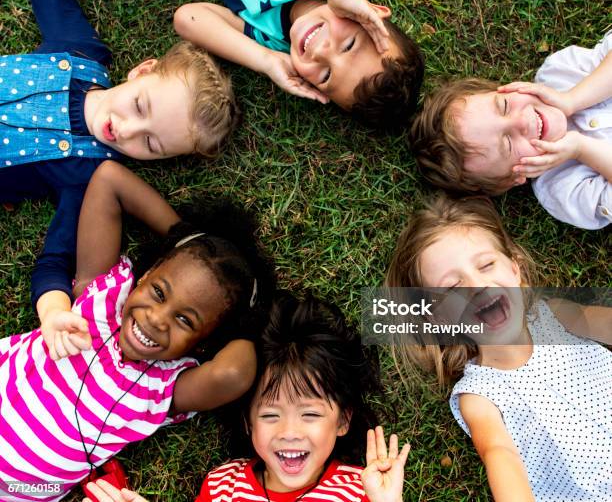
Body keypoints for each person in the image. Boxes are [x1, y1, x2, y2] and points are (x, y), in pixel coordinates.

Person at [0, 161, 275, 501]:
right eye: (159, 292)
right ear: (144, 276)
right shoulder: (101, 298)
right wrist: (185, 239)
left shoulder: (162, 389)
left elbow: (234, 373)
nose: (157, 319)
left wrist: (249, 319)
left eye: (185, 321)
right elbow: (109, 180)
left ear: (203, 345)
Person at [2, 0, 239, 319]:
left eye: (150, 143)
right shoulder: (79, 52)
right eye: (140, 105)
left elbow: (55, 262)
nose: (126, 130)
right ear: (143, 70)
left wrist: (54, 313)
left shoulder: (86, 177)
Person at [386, 194, 612, 501]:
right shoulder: (479, 395)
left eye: (486, 264)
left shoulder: (556, 315)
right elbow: (500, 454)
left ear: (515, 271)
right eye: (452, 286)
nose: (476, 285)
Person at [83, 293, 411, 502]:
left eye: (309, 414)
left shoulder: (361, 489)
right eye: (270, 415)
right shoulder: (224, 485)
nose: (289, 431)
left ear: (342, 420)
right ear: (248, 421)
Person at [174, 0, 424, 132]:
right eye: (349, 45)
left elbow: (188, 18)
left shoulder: (271, 38)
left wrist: (267, 61)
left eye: (326, 76)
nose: (321, 53)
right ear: (373, 13)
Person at [408, 30, 612, 229]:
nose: (521, 122)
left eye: (504, 105)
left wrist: (573, 99)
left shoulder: (560, 72)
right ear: (514, 178)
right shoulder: (562, 190)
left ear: (505, 88)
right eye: (507, 144)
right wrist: (582, 148)